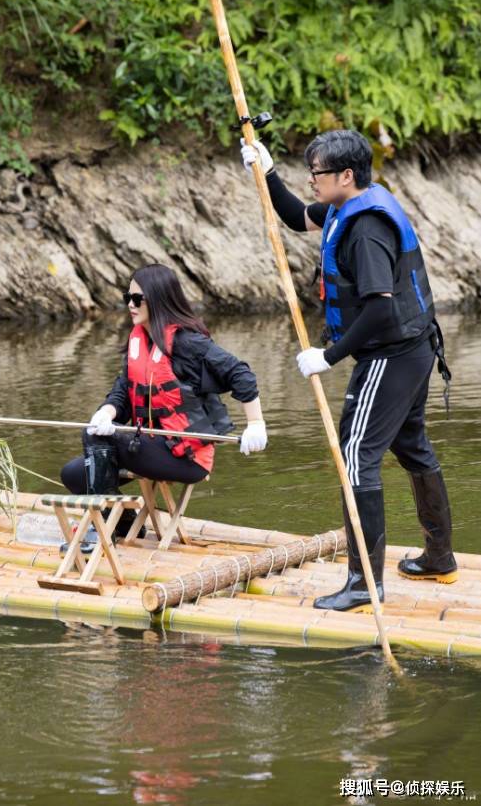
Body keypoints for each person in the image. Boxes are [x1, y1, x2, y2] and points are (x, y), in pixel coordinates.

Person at [241, 129, 456, 612]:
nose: (312, 181)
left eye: (317, 173)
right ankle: (439, 556)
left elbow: (379, 310)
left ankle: (363, 583)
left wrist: (328, 357)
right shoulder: (346, 206)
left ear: (346, 175)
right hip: (411, 347)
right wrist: (267, 170)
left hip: (392, 353)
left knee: (356, 453)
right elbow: (297, 218)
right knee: (411, 445)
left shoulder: (366, 231)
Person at [60, 263, 267, 550]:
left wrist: (255, 424)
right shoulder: (139, 343)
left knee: (95, 438)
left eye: (137, 299)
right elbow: (121, 392)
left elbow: (240, 373)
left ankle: (99, 531)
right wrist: (105, 413)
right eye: (127, 298)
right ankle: (126, 524)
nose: (130, 305)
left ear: (158, 299)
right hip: (148, 446)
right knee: (72, 473)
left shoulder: (187, 343)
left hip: (185, 456)